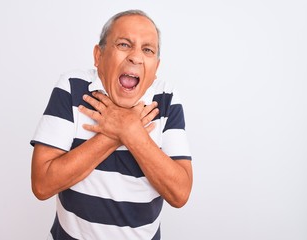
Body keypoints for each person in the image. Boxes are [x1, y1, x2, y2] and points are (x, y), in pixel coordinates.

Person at [30, 9, 193, 240]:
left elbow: (180, 193)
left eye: (147, 50)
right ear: (99, 55)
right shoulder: (72, 87)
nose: (135, 57)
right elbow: (42, 184)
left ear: (156, 67)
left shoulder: (167, 99)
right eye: (124, 44)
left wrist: (131, 131)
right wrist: (121, 130)